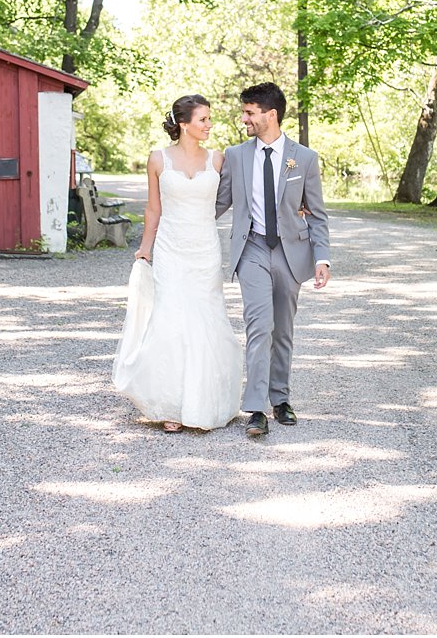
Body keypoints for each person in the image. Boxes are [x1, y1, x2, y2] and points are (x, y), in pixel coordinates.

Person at [112, 94, 242, 432]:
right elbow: (153, 209)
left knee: (206, 320)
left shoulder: (219, 159)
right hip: (171, 249)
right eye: (203, 120)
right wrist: (145, 248)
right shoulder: (158, 159)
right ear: (183, 124)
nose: (209, 125)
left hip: (204, 250)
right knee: (170, 319)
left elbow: (241, 195)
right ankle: (170, 405)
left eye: (210, 119)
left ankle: (206, 403)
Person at [215, 82, 332, 439]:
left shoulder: (305, 158)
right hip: (250, 249)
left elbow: (317, 214)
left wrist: (322, 258)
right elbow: (219, 203)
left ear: (271, 115)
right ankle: (255, 409)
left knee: (283, 329)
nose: (244, 118)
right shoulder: (235, 155)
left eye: (249, 112)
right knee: (259, 326)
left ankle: (280, 399)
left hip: (290, 251)